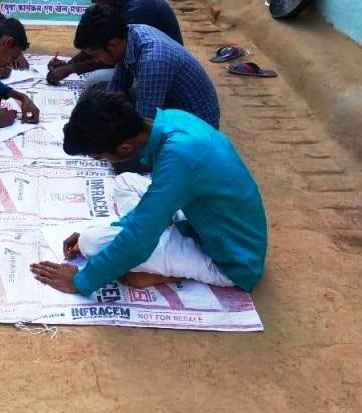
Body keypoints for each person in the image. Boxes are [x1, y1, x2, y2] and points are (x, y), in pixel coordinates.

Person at [30, 86, 267, 296]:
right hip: (206, 218)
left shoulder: (179, 157)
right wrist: (119, 228)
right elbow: (149, 212)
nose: (103, 161)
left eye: (101, 157)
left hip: (232, 259)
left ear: (124, 147)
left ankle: (175, 272)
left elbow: (140, 240)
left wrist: (82, 281)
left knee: (91, 244)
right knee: (125, 182)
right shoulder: (172, 120)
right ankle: (159, 242)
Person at [71, 4, 220, 129]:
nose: (97, 60)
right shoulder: (128, 35)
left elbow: (145, 125)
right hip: (173, 109)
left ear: (112, 44)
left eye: (96, 55)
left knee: (119, 149)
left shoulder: (153, 61)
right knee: (98, 90)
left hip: (194, 129)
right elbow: (116, 87)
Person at [47, 0, 183, 85]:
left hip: (162, 71)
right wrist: (69, 64)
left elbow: (112, 56)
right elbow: (99, 44)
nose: (93, 2)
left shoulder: (137, 11)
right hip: (139, 60)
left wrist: (70, 69)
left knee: (95, 81)